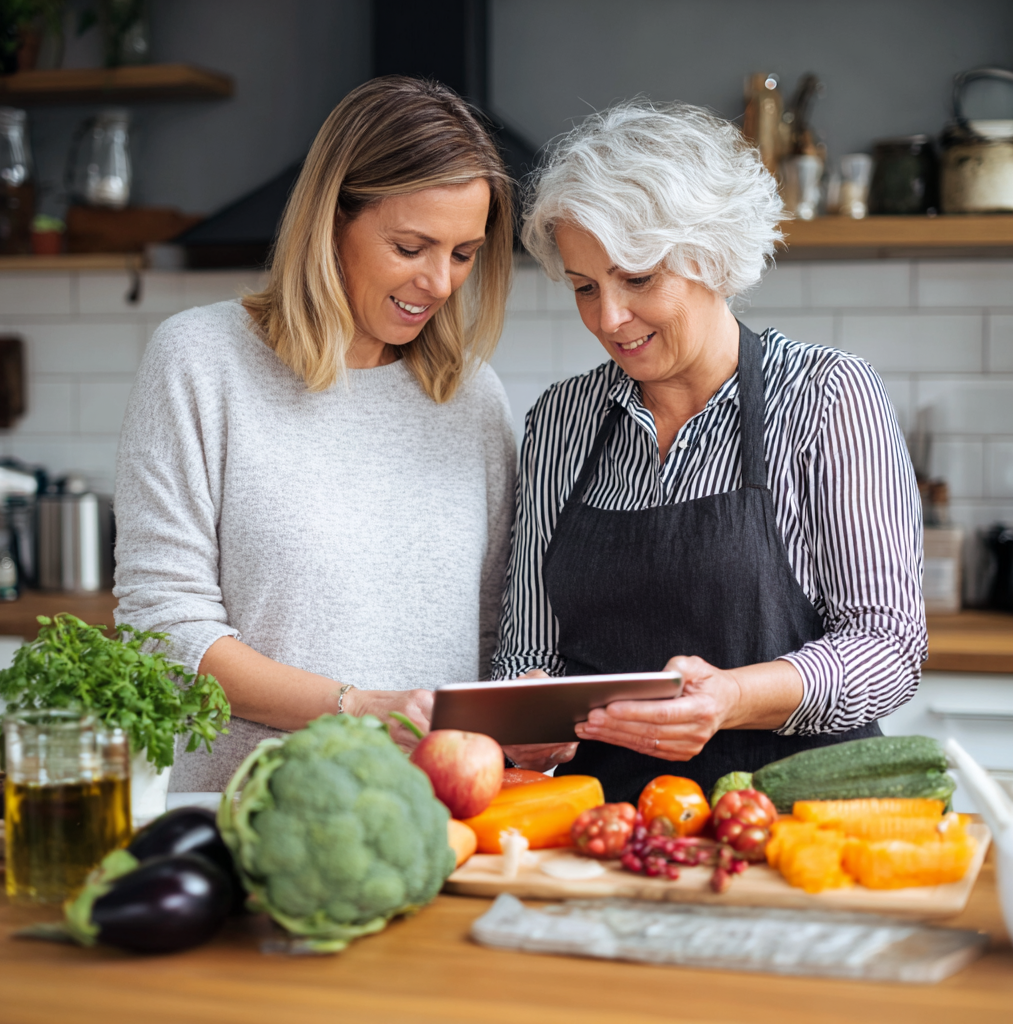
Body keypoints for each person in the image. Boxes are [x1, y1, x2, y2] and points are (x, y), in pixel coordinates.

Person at [494, 101, 926, 802]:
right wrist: (527, 716)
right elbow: (531, 650)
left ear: (716, 258)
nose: (608, 318)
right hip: (608, 830)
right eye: (583, 287)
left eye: (638, 279)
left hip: (792, 824)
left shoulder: (824, 397)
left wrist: (730, 697)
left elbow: (887, 647)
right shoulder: (562, 421)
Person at [115, 77, 517, 792]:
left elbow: (492, 634)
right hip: (246, 816)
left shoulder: (472, 396)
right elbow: (164, 631)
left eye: (463, 253)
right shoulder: (201, 362)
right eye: (410, 246)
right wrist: (358, 708)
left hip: (439, 824)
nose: (440, 282)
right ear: (332, 220)